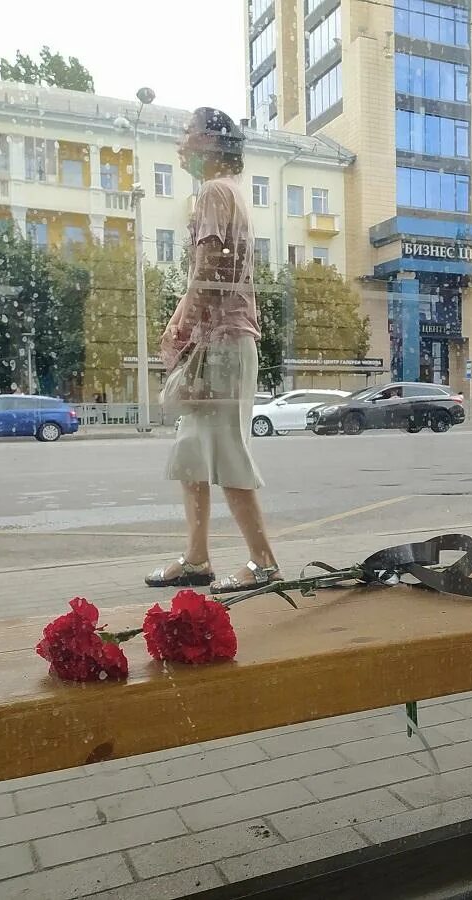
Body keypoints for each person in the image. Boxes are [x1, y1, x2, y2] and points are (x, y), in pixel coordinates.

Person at [146, 108, 282, 591]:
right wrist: (183, 321)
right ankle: (197, 558)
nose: (180, 143)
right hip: (221, 340)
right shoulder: (229, 193)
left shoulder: (213, 193)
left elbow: (208, 270)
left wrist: (182, 329)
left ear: (209, 141)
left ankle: (263, 563)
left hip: (222, 343)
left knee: (225, 448)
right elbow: (209, 273)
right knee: (193, 451)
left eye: (187, 133)